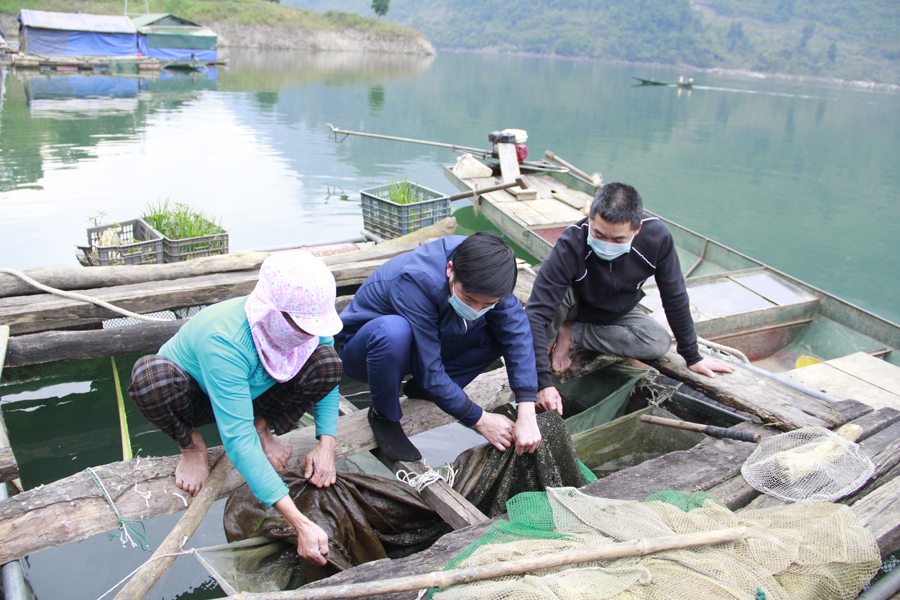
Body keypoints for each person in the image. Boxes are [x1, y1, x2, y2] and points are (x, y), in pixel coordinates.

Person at [128, 251, 343, 566]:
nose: (311, 332)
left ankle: (263, 425)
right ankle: (190, 445)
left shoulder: (312, 325)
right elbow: (237, 439)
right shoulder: (223, 339)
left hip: (256, 392)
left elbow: (329, 382)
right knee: (150, 379)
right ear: (273, 312)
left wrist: (327, 446)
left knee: (327, 362)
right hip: (196, 396)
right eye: (302, 325)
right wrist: (300, 523)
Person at [526, 182, 734, 415]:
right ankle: (548, 343)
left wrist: (692, 355)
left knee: (658, 342)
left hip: (617, 311)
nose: (606, 244)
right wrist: (542, 381)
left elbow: (674, 296)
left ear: (637, 230)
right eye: (599, 234)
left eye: (618, 240)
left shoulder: (657, 239)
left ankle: (571, 332)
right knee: (553, 303)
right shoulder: (569, 244)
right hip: (572, 304)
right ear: (590, 220)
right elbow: (536, 315)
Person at [336, 232, 542, 462]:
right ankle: (383, 415)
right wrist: (479, 418)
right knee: (393, 332)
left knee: (505, 329)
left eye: (487, 304)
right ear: (450, 270)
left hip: (421, 339)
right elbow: (429, 367)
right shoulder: (416, 280)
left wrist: (527, 411)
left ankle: (429, 390)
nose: (475, 309)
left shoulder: (492, 274)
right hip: (366, 352)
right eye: (469, 299)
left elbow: (518, 336)